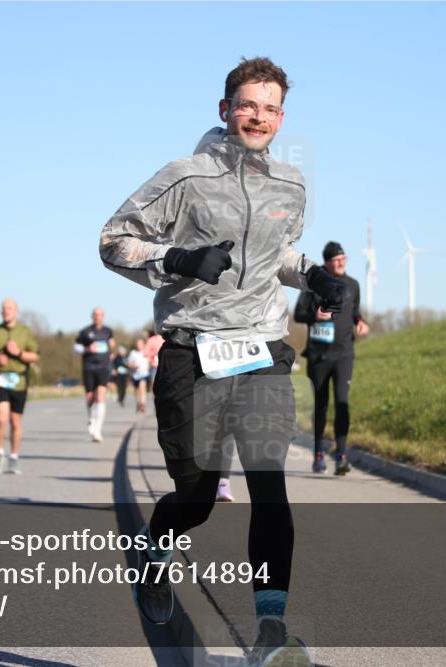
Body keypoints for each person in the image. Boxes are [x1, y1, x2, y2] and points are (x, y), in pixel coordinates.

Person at [100, 57, 345, 666]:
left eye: (270, 108)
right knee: (199, 494)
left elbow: (277, 255)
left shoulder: (293, 184)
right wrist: (179, 260)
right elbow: (112, 241)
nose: (257, 116)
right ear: (224, 109)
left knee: (269, 487)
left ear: (281, 118)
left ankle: (269, 633)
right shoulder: (183, 178)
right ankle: (157, 552)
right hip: (192, 350)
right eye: (247, 104)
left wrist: (307, 273)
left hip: (261, 348)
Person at [294, 241, 369, 475]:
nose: (341, 263)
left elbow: (354, 310)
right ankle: (318, 453)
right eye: (336, 260)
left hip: (344, 353)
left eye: (343, 259)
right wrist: (315, 317)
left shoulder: (353, 285)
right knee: (321, 404)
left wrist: (360, 321)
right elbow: (298, 314)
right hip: (319, 355)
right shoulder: (315, 286)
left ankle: (342, 455)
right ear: (326, 263)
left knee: (342, 402)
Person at [0, 298, 40, 474]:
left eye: (10, 308)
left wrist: (19, 353)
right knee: (1, 418)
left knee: (15, 421)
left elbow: (35, 356)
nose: (6, 311)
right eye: (4, 308)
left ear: (16, 311)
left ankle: (14, 457)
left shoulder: (25, 332)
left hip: (19, 380)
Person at [74, 307, 116, 443]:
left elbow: (111, 345)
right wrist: (86, 349)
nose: (98, 317)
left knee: (101, 396)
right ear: (92, 316)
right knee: (90, 397)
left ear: (103, 317)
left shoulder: (108, 331)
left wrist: (112, 344)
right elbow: (76, 347)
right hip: (89, 367)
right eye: (96, 315)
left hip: (103, 367)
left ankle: (98, 430)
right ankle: (91, 418)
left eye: (100, 315)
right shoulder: (85, 332)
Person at [127, 337, 151, 413]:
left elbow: (151, 360)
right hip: (135, 374)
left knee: (142, 387)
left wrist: (149, 365)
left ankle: (143, 404)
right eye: (137, 344)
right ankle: (138, 403)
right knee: (137, 390)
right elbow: (129, 364)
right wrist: (133, 366)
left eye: (140, 344)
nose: (139, 345)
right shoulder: (133, 353)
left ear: (143, 344)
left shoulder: (146, 352)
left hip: (144, 373)